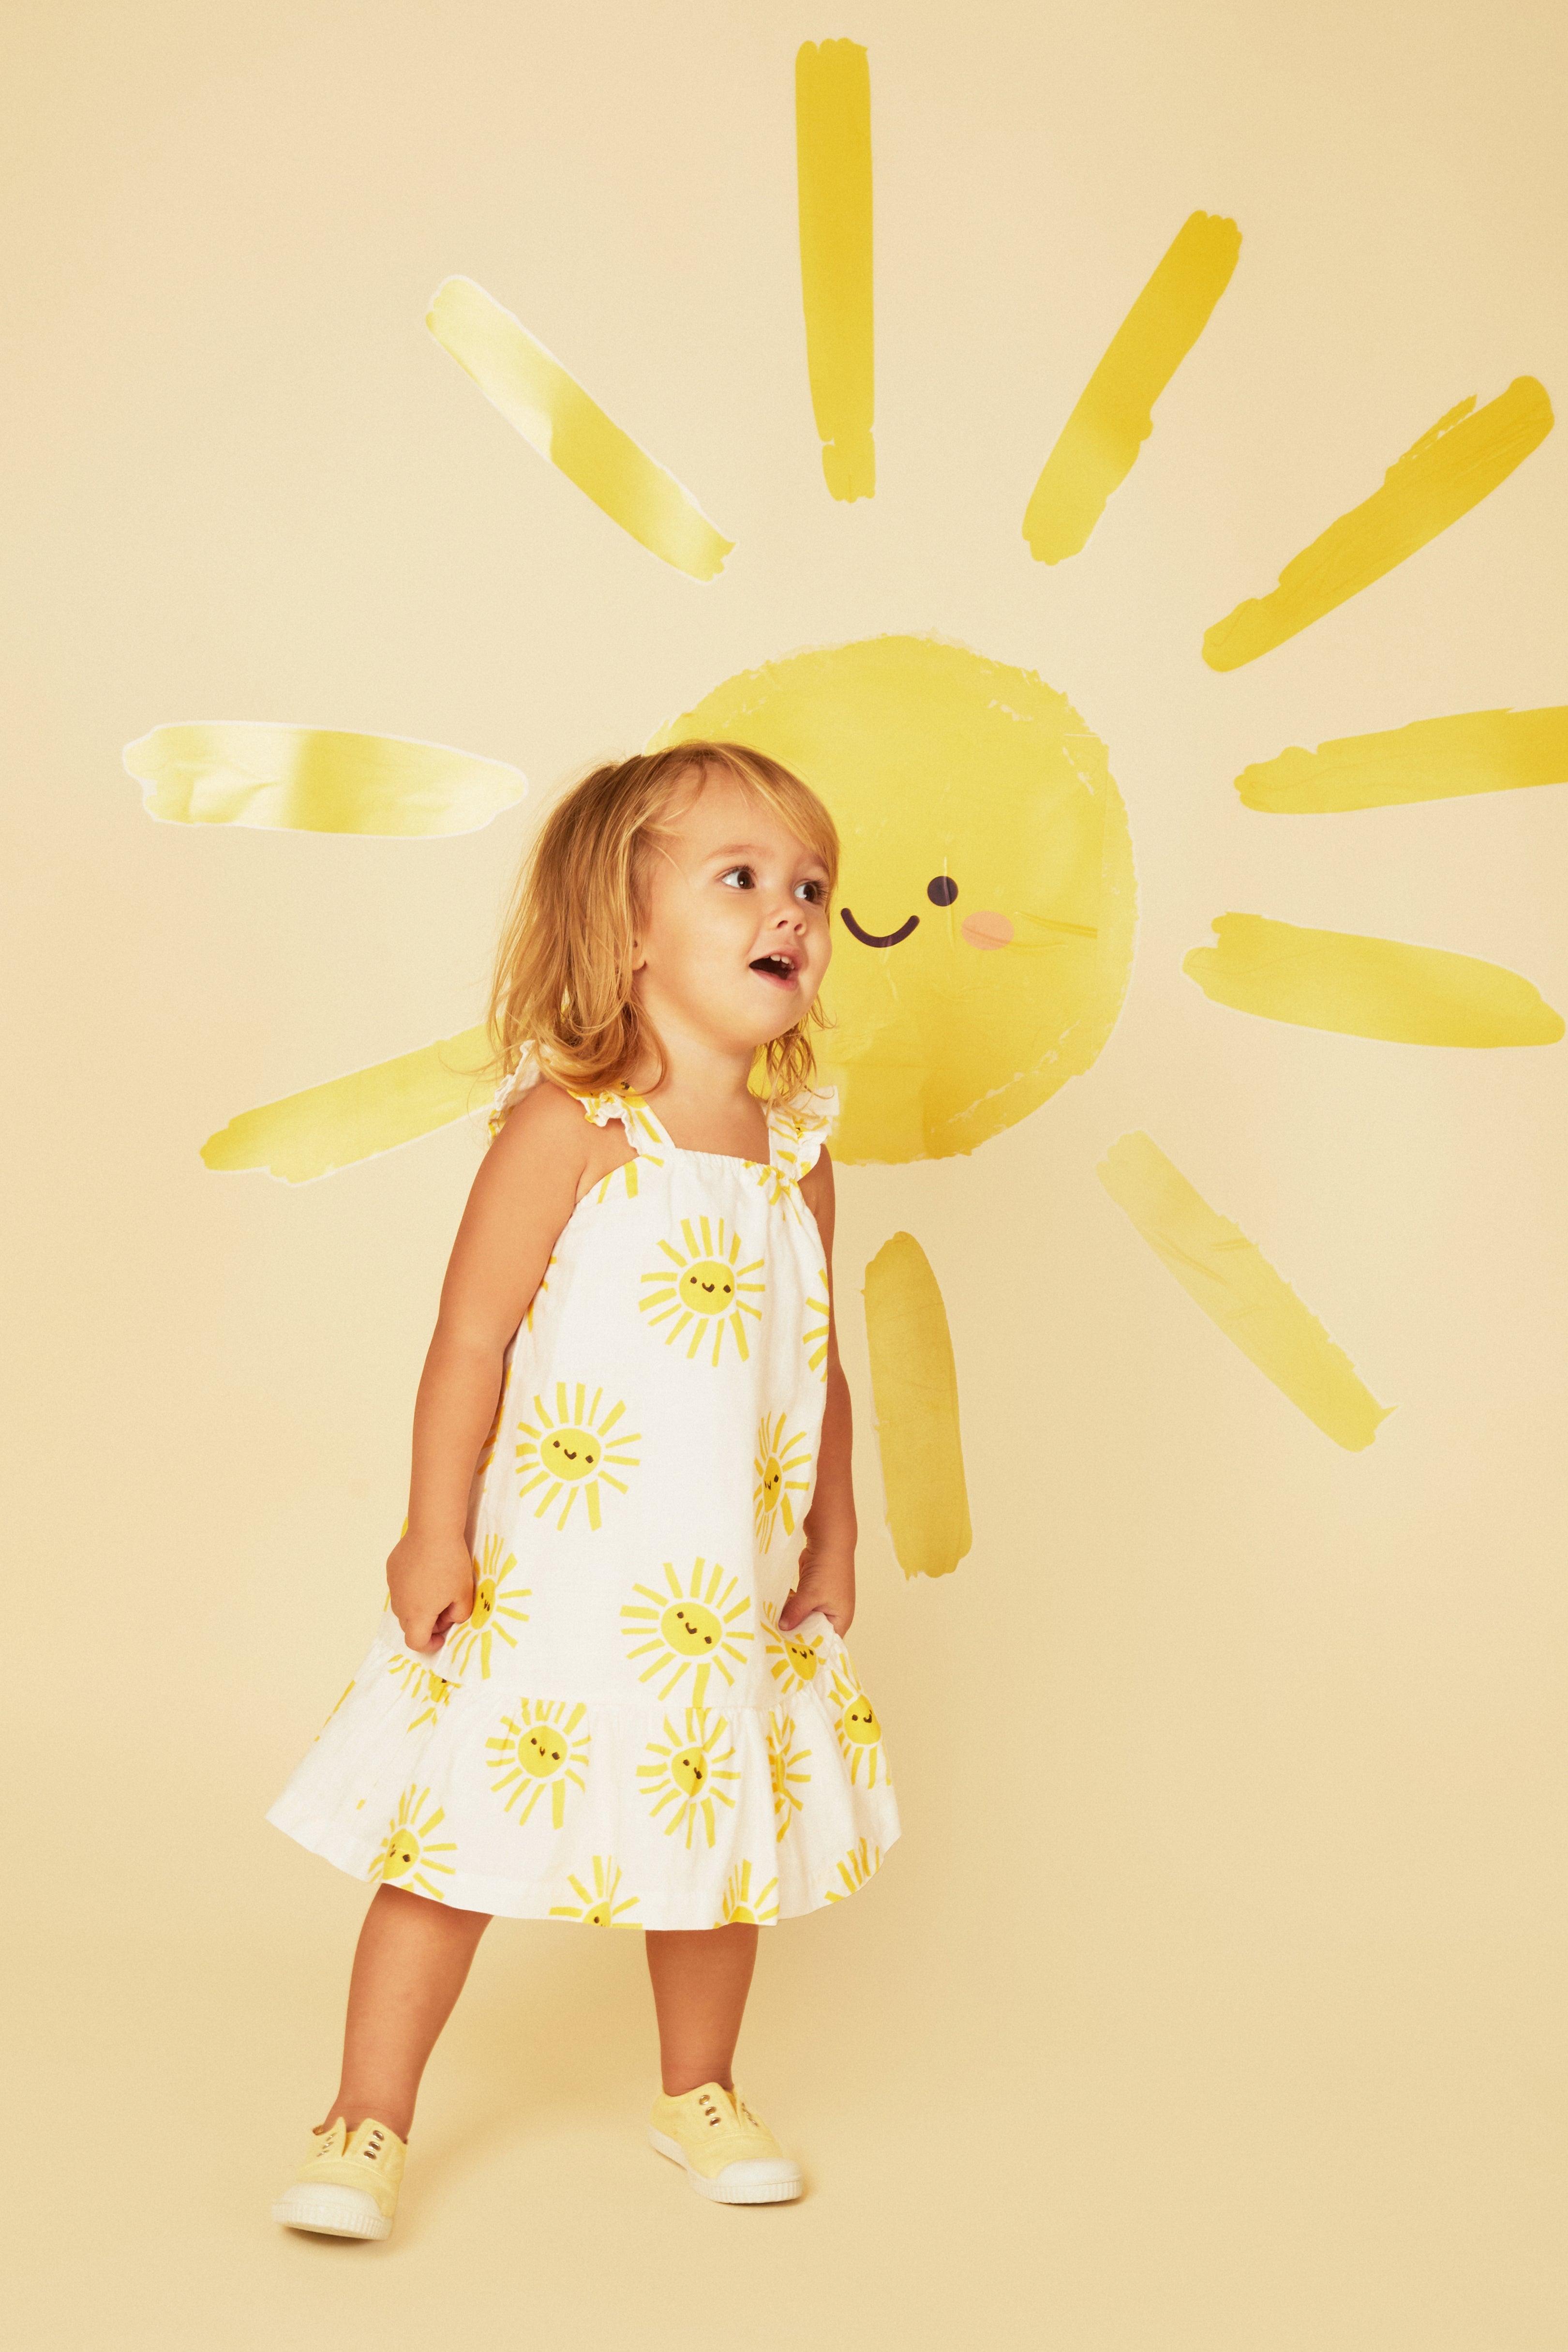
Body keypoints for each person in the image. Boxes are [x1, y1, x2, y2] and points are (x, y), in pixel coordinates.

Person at [267, 742, 899, 2239]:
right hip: (550, 1579)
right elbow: (470, 1338)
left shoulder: (796, 1160)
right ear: (625, 935)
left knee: (716, 1851)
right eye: (740, 879)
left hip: (718, 1592)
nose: (791, 912)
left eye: (810, 886)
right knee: (452, 1844)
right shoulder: (570, 1131)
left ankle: (698, 2088)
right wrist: (431, 1528)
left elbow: (819, 1363)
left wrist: (835, 1525)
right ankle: (366, 2114)